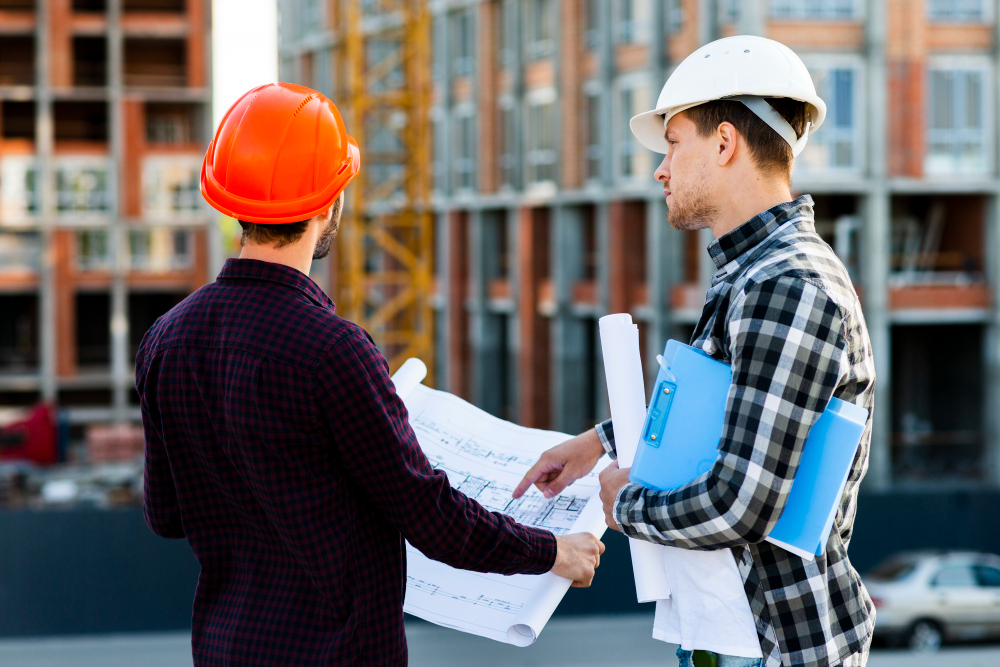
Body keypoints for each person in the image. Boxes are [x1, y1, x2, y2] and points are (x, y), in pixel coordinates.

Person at [137, 83, 604, 667]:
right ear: (330, 202)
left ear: (230, 200)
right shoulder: (332, 351)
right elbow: (429, 517)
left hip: (226, 651)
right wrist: (551, 551)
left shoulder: (166, 340)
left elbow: (166, 516)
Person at [514, 36, 875, 667]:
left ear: (726, 143)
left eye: (674, 143)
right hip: (732, 632)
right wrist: (600, 442)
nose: (661, 168)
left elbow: (740, 503)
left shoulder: (786, 285)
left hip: (775, 644)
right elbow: (733, 414)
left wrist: (624, 504)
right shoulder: (754, 273)